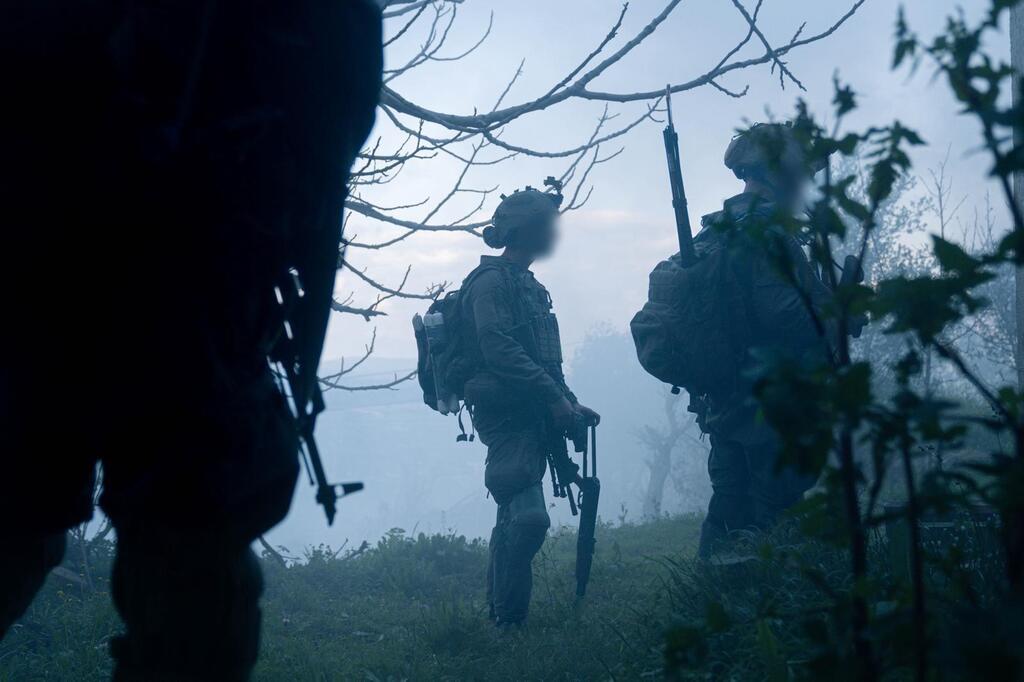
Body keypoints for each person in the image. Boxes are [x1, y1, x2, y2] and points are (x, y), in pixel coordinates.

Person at [0, 2, 381, 679]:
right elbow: (323, 166)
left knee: (177, 566)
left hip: (145, 293)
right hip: (168, 300)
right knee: (190, 573)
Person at [693, 123, 837, 559]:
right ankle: (769, 608)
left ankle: (709, 603)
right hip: (769, 401)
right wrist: (837, 311)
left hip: (725, 397)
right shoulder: (764, 232)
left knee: (729, 504)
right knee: (774, 511)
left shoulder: (716, 230)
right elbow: (784, 314)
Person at [458, 186, 600, 626]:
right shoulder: (490, 283)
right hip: (506, 415)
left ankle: (501, 616)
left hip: (535, 410)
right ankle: (508, 624)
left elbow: (544, 359)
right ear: (527, 231)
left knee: (514, 516)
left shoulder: (529, 286)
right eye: (546, 226)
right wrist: (554, 398)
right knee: (530, 520)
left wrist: (570, 403)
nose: (554, 235)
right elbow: (498, 348)